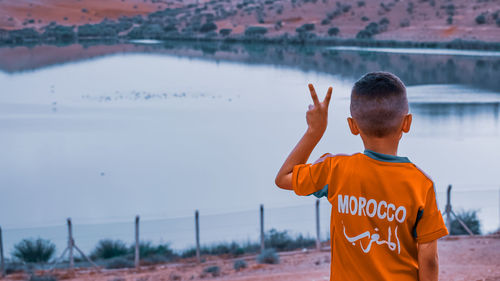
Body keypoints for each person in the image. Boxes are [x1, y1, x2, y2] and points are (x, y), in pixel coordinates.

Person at [275, 72, 448, 281]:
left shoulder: (335, 169)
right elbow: (429, 257)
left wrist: (315, 131)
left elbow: (284, 177)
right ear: (407, 123)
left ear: (353, 126)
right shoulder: (421, 184)